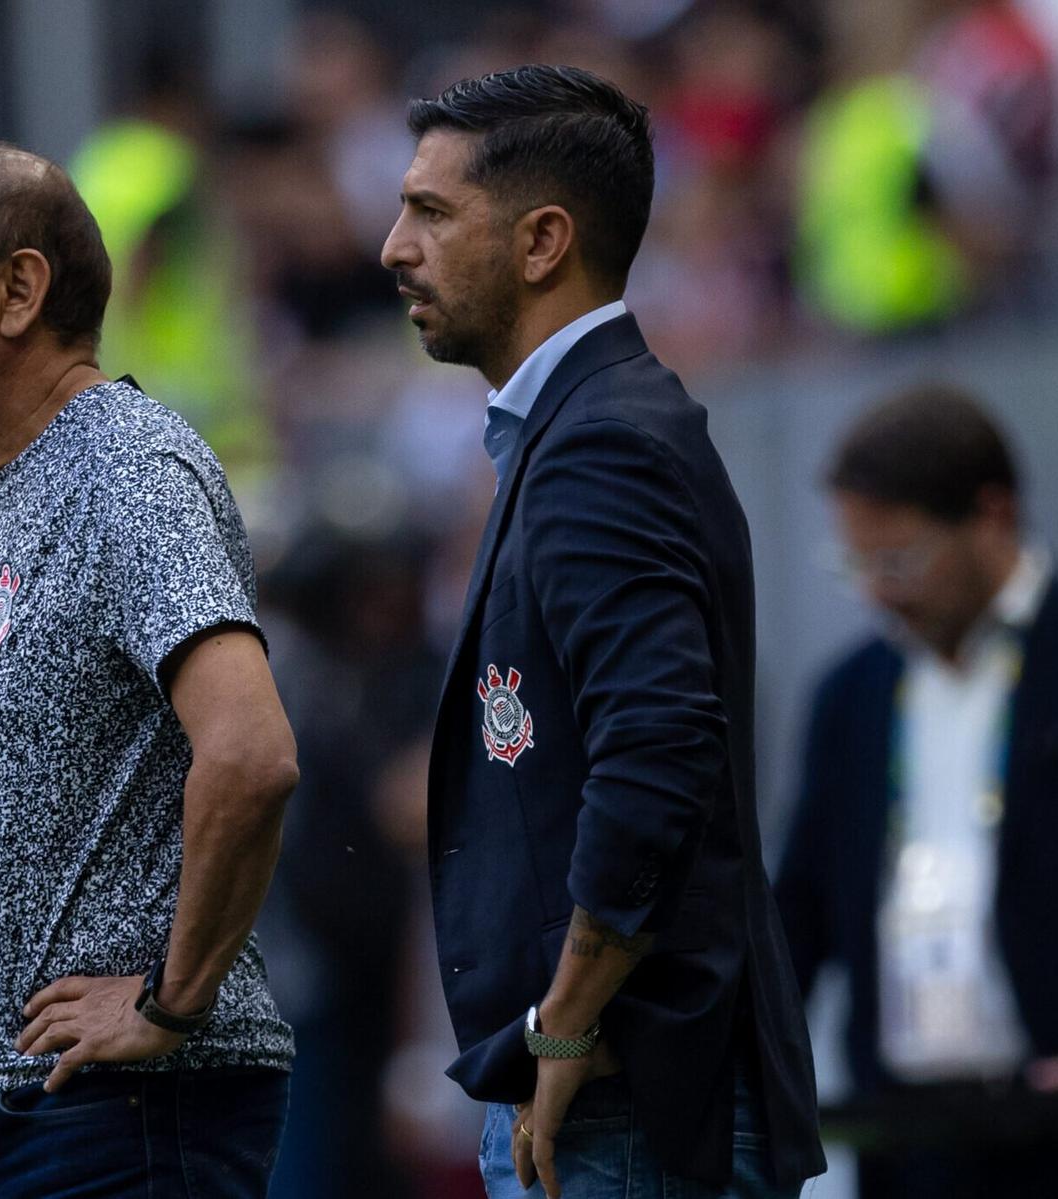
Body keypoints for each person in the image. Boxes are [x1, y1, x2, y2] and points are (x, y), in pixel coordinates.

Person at [380, 65, 826, 1199]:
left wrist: (566, 1026)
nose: (393, 246)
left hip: (622, 1106)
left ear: (542, 242)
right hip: (606, 1099)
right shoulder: (582, 428)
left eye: (431, 212)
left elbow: (657, 751)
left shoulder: (602, 444)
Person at [0, 141, 299, 1198]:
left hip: (124, 1116)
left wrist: (168, 1002)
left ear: (18, 290)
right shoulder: (17, 484)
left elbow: (252, 751)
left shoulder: (126, 468)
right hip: (38, 1110)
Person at [775, 384, 1058, 1198]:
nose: (878, 590)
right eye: (857, 565)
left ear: (992, 514)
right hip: (907, 1133)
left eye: (900, 560)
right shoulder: (849, 694)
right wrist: (735, 1051)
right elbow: (799, 904)